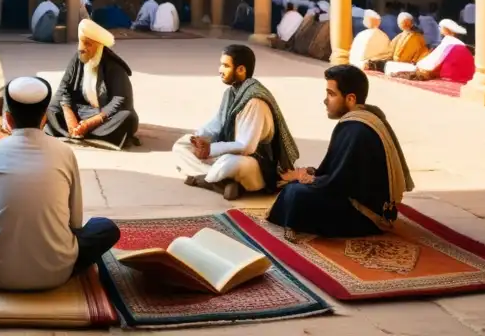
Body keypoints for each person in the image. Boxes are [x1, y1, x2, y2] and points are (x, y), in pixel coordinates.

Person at [0, 76, 121, 291]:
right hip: (57, 273)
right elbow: (75, 223)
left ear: (8, 118)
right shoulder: (64, 153)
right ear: (45, 119)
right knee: (104, 227)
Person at [269, 64, 414, 237]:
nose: (325, 100)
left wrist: (306, 178)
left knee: (296, 193)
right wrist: (311, 175)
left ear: (350, 99)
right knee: (296, 187)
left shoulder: (356, 129)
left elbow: (338, 184)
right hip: (363, 203)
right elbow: (342, 175)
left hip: (366, 216)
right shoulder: (365, 118)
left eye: (331, 94)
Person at [173, 44, 298, 201]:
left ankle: (206, 178)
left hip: (255, 163)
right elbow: (217, 123)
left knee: (229, 163)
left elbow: (246, 146)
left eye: (225, 65)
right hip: (227, 151)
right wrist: (199, 139)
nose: (220, 70)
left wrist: (210, 149)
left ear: (241, 70)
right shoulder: (231, 93)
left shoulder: (255, 101)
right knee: (181, 145)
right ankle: (222, 183)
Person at [45, 20, 139, 149]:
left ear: (99, 46)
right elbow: (64, 87)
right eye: (80, 42)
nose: (81, 48)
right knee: (51, 107)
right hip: (80, 110)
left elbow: (119, 100)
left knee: (126, 117)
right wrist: (70, 118)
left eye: (87, 44)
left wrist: (89, 123)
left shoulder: (114, 66)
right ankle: (76, 131)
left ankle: (83, 132)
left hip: (103, 115)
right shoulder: (78, 58)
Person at [388, 18, 474, 84]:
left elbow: (436, 60)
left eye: (440, 27)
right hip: (465, 73)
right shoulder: (456, 42)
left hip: (452, 73)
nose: (439, 29)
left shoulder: (448, 41)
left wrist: (420, 65)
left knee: (393, 66)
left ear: (446, 30)